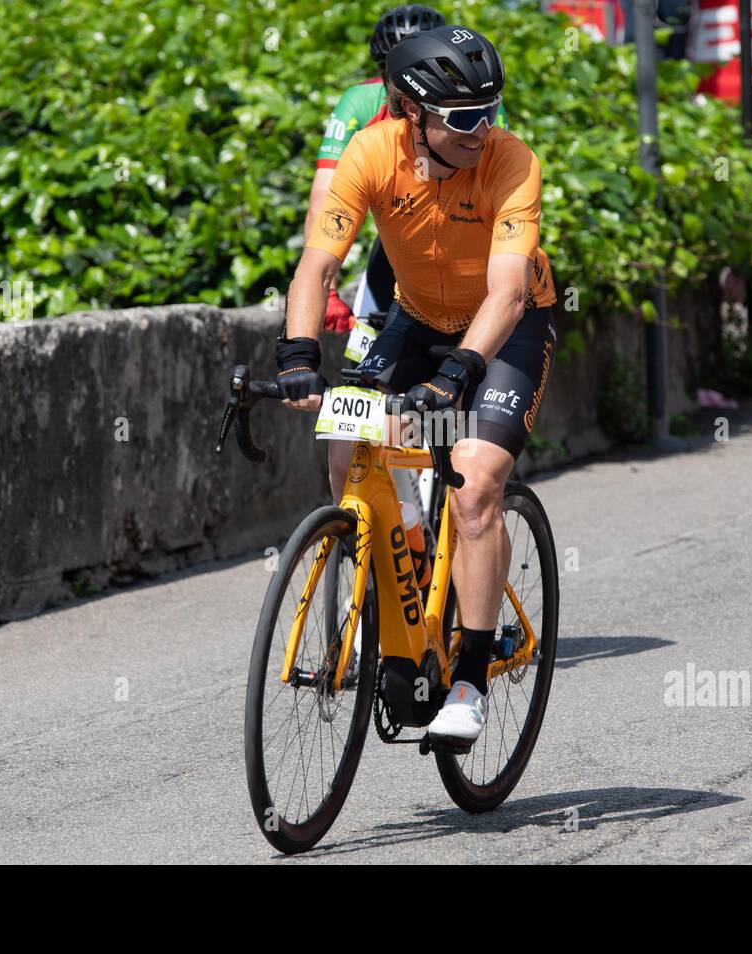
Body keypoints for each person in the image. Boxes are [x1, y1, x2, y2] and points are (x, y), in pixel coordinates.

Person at [277, 26, 556, 744]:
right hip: (416, 318)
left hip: (507, 328)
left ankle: (469, 671)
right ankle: (398, 606)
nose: (481, 128)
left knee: (474, 482)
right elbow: (317, 266)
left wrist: (458, 374)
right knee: (348, 452)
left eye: (489, 109)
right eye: (462, 116)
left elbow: (507, 294)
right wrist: (299, 352)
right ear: (409, 110)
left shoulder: (511, 162)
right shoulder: (372, 155)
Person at [303, 6, 507, 331]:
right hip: (399, 240)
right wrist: (326, 289)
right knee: (365, 366)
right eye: (390, 71)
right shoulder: (359, 102)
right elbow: (324, 198)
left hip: (467, 240)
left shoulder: (471, 107)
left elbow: (499, 184)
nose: (403, 82)